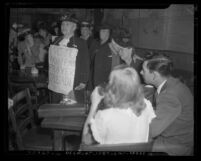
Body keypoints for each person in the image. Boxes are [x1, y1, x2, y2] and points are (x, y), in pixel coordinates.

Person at [82, 65, 156, 145]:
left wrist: (94, 105)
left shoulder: (105, 116)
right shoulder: (147, 106)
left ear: (113, 87)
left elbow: (85, 142)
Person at [140, 55, 194, 155]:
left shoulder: (169, 95)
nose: (141, 72)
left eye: (143, 70)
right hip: (176, 135)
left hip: (177, 144)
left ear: (154, 75)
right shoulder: (172, 83)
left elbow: (151, 130)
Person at [50, 12, 90, 103]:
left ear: (74, 27)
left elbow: (85, 62)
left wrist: (83, 81)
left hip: (74, 82)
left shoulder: (81, 43)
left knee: (71, 107)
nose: (64, 26)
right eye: (63, 24)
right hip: (57, 82)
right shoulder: (56, 41)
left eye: (67, 24)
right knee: (57, 107)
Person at [91, 23, 113, 89]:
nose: (101, 33)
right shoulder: (94, 43)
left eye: (104, 31)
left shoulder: (111, 46)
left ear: (109, 33)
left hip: (103, 82)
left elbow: (110, 67)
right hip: (91, 78)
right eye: (100, 31)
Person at [80, 20, 99, 91]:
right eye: (82, 29)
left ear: (89, 31)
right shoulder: (77, 41)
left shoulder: (94, 42)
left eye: (86, 29)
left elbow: (93, 59)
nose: (84, 31)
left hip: (89, 73)